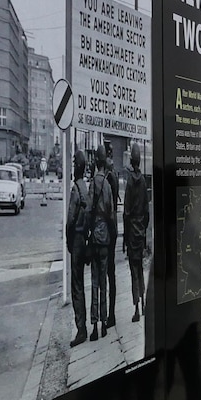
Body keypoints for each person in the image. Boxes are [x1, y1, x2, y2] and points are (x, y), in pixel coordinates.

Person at [87, 146, 114, 341]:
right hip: (105, 238)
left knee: (94, 282)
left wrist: (90, 230)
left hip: (94, 238)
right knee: (103, 281)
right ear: (105, 163)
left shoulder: (92, 184)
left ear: (96, 162)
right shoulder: (108, 186)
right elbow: (112, 215)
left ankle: (94, 326)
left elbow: (88, 211)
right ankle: (104, 323)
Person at [122, 142, 149, 323]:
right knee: (140, 268)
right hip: (141, 231)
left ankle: (137, 308)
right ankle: (145, 302)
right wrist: (144, 230)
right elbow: (147, 211)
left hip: (132, 231)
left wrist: (125, 236)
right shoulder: (144, 181)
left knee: (133, 269)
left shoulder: (130, 181)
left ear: (132, 161)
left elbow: (125, 212)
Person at [65, 150, 89, 348]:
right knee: (81, 283)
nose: (73, 167)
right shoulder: (86, 188)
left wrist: (68, 239)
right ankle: (83, 326)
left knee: (77, 286)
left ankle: (81, 329)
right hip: (85, 238)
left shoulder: (75, 189)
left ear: (77, 167)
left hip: (76, 240)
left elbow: (70, 219)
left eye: (74, 164)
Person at [104, 145, 120, 328]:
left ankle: (110, 314)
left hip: (109, 225)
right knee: (111, 272)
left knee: (108, 272)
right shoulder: (114, 173)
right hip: (114, 224)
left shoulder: (108, 176)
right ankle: (111, 313)